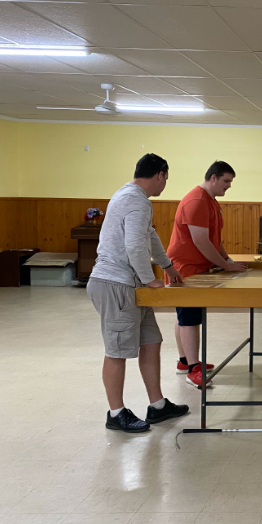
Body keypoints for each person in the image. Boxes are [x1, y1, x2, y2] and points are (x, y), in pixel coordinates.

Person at [87, 153, 189, 433]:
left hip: (131, 286)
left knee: (151, 341)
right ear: (160, 175)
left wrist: (167, 266)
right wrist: (150, 279)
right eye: (166, 179)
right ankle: (116, 413)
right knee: (117, 350)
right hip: (116, 284)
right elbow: (133, 244)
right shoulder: (136, 200)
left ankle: (157, 406)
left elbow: (150, 235)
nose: (164, 184)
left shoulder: (128, 196)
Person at [167, 161, 246, 389]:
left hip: (197, 267)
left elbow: (214, 238)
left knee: (184, 317)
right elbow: (200, 240)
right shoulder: (196, 201)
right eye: (226, 181)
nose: (229, 186)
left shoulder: (210, 201)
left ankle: (184, 362)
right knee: (189, 318)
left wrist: (227, 261)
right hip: (185, 269)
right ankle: (194, 369)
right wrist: (225, 265)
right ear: (213, 177)